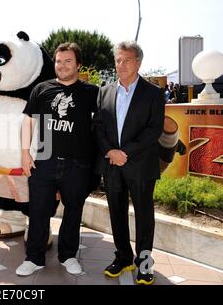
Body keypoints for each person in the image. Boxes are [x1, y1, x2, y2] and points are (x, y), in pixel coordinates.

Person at [16, 42, 99, 276]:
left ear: (78, 64)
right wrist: (24, 153)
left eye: (68, 61)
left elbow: (100, 127)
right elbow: (28, 121)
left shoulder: (91, 93)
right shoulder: (41, 89)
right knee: (39, 211)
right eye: (59, 61)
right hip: (44, 159)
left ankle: (68, 256)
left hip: (77, 163)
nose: (62, 65)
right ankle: (34, 258)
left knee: (73, 212)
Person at [93, 41, 165, 285]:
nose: (120, 64)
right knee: (116, 212)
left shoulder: (153, 93)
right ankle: (123, 257)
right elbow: (98, 127)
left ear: (138, 63)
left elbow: (154, 129)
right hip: (112, 164)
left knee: (144, 216)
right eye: (118, 60)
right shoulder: (104, 91)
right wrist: (111, 152)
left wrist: (125, 152)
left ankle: (144, 264)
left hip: (141, 165)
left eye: (126, 60)